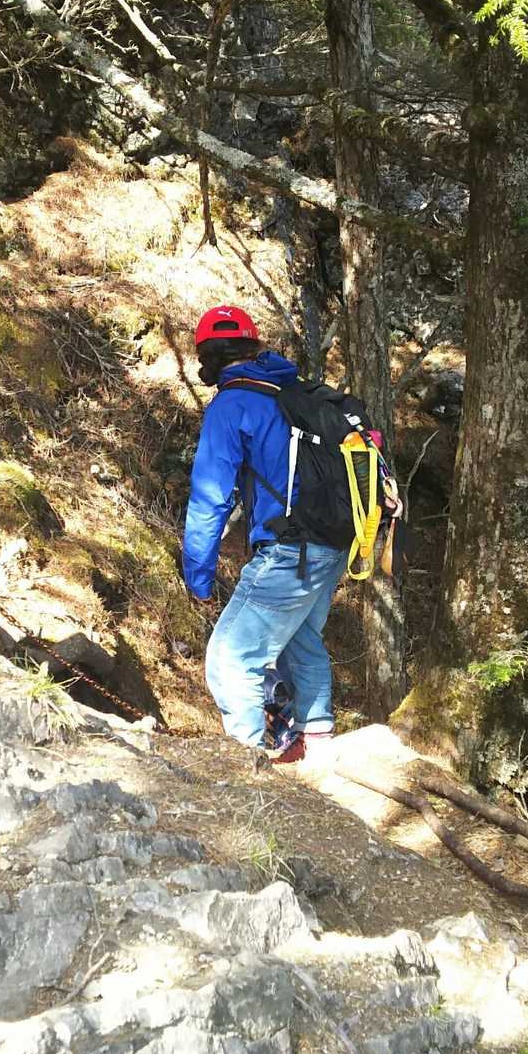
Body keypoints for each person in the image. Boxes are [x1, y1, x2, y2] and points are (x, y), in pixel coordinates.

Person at [182, 304, 349, 765]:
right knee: (301, 641)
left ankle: (246, 770)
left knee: (231, 658)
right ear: (253, 346)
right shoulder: (291, 390)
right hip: (332, 541)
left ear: (207, 356)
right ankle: (316, 747)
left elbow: (210, 496)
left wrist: (198, 576)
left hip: (290, 549)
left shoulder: (232, 403)